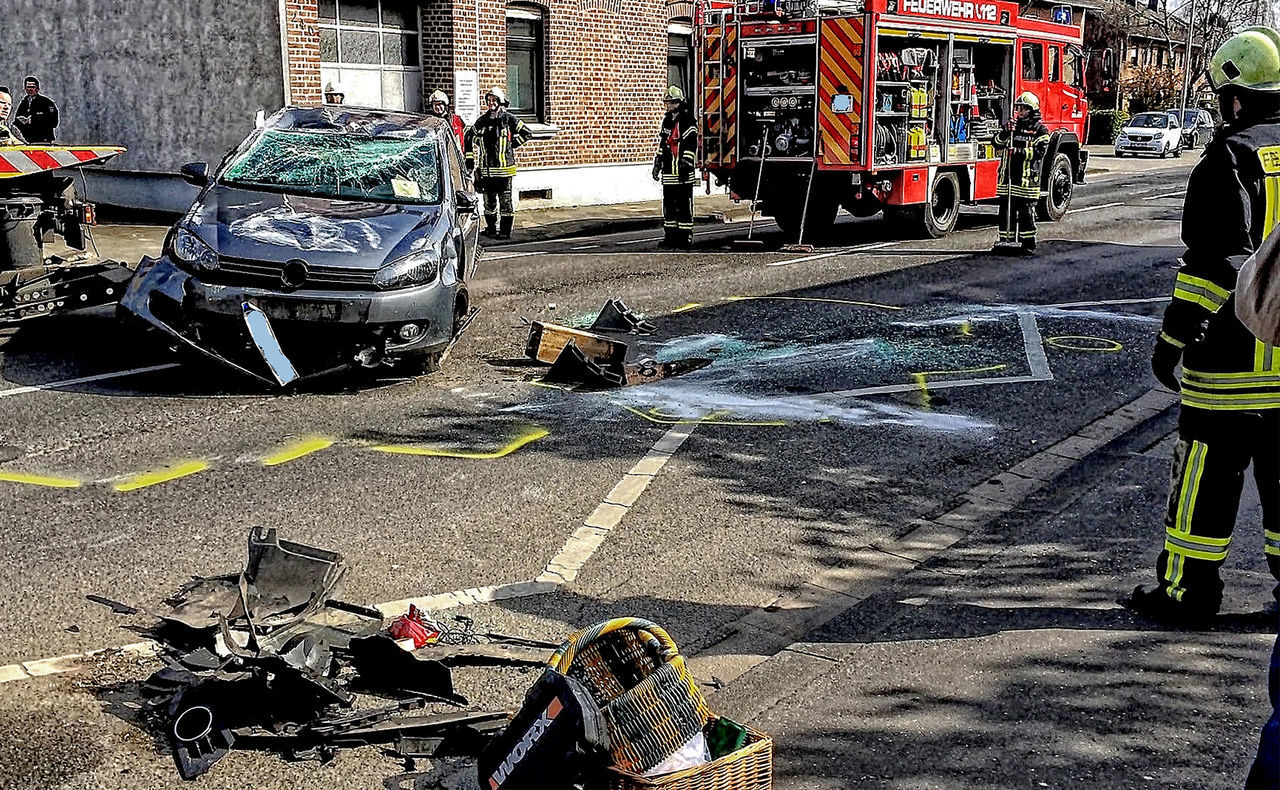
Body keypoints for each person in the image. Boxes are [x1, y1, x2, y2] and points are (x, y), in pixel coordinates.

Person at [1126, 26, 1280, 626]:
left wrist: (1170, 346)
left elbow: (1212, 270)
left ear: (1235, 96)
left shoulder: (1230, 158)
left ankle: (1187, 594)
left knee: (1205, 477)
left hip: (1231, 364)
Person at [464, 87, 532, 240]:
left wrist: (512, 144)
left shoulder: (509, 119)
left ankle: (505, 231)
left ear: (500, 101)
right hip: (487, 172)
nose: (491, 103)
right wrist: (470, 159)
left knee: (505, 204)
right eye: (489, 100)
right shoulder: (482, 120)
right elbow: (469, 136)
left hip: (504, 172)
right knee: (489, 204)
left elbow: (526, 133)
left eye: (494, 100)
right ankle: (490, 229)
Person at [991, 91, 1049, 256]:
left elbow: (1039, 152)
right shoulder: (1012, 127)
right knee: (1005, 213)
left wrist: (1017, 151)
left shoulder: (1040, 130)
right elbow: (996, 143)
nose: (1020, 112)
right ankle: (1005, 241)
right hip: (1008, 180)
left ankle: (1027, 244)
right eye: (1019, 109)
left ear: (1033, 110)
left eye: (1024, 109)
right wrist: (1004, 131)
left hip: (1027, 182)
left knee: (1026, 215)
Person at [652, 86, 699, 249]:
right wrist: (658, 162)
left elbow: (691, 143)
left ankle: (685, 237)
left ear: (678, 102)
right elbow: (663, 143)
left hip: (683, 173)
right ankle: (670, 236)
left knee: (684, 206)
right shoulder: (667, 121)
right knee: (669, 207)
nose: (667, 106)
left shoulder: (687, 120)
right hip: (669, 173)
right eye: (666, 103)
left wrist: (686, 161)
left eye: (670, 102)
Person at [12, 76, 57, 143]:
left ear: (37, 88)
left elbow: (54, 122)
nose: (30, 89)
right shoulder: (24, 102)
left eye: (32, 87)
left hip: (43, 140)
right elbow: (17, 120)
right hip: (26, 141)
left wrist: (33, 120)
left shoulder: (46, 102)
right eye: (28, 87)